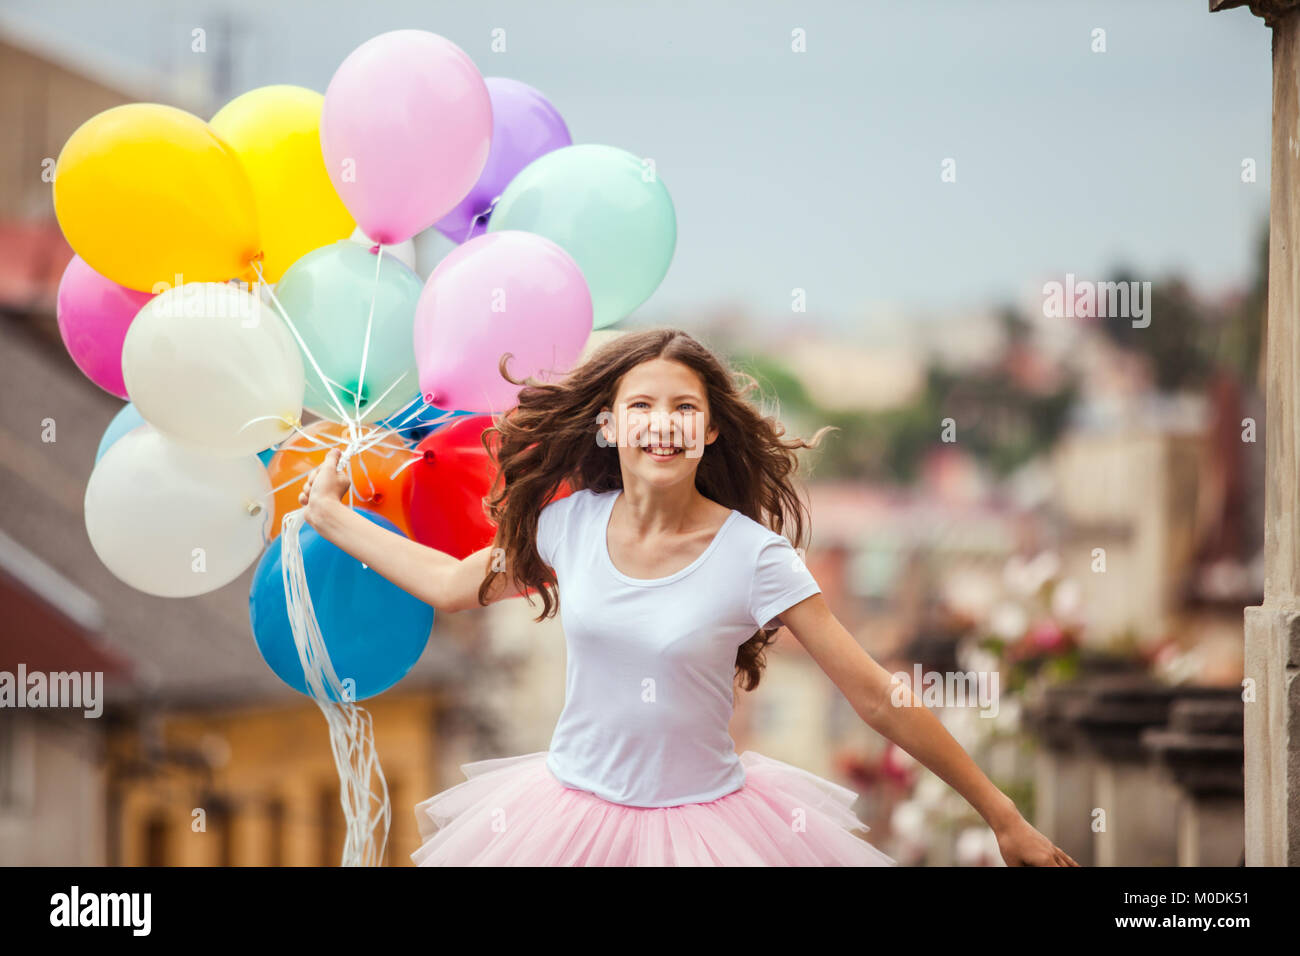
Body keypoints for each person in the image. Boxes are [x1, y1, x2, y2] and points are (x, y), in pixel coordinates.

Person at [299, 327, 1078, 867]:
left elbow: (876, 695)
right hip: (565, 821)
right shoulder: (567, 525)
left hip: (712, 830)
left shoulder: (754, 557)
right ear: (609, 426)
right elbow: (447, 582)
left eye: (684, 410)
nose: (662, 426)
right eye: (643, 407)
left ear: (709, 433)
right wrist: (332, 515)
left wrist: (1002, 816)